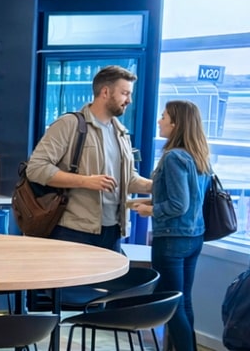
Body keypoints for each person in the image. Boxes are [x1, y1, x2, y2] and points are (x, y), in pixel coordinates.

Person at [25, 65, 152, 252]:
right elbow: (35, 169)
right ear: (105, 92)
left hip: (113, 231)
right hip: (73, 231)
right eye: (125, 93)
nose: (129, 100)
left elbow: (127, 179)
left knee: (110, 282)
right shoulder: (69, 125)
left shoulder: (121, 132)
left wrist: (156, 186)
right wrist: (85, 181)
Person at [131, 100, 211, 351]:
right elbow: (190, 200)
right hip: (194, 237)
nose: (159, 120)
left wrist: (150, 210)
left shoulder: (174, 157)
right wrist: (150, 201)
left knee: (170, 302)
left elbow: (179, 204)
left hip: (171, 240)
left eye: (163, 116)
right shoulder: (199, 156)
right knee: (184, 301)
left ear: (176, 123)